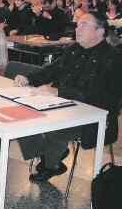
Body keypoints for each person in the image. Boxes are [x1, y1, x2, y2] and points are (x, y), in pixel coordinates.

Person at [15, 12, 122, 182]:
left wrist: (60, 93)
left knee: (54, 128)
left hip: (94, 116)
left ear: (100, 31)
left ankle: (50, 163)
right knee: (20, 113)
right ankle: (50, 156)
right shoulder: (73, 49)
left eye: (84, 25)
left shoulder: (113, 58)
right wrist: (29, 78)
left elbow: (103, 97)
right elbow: (52, 69)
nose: (77, 29)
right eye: (78, 24)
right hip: (63, 106)